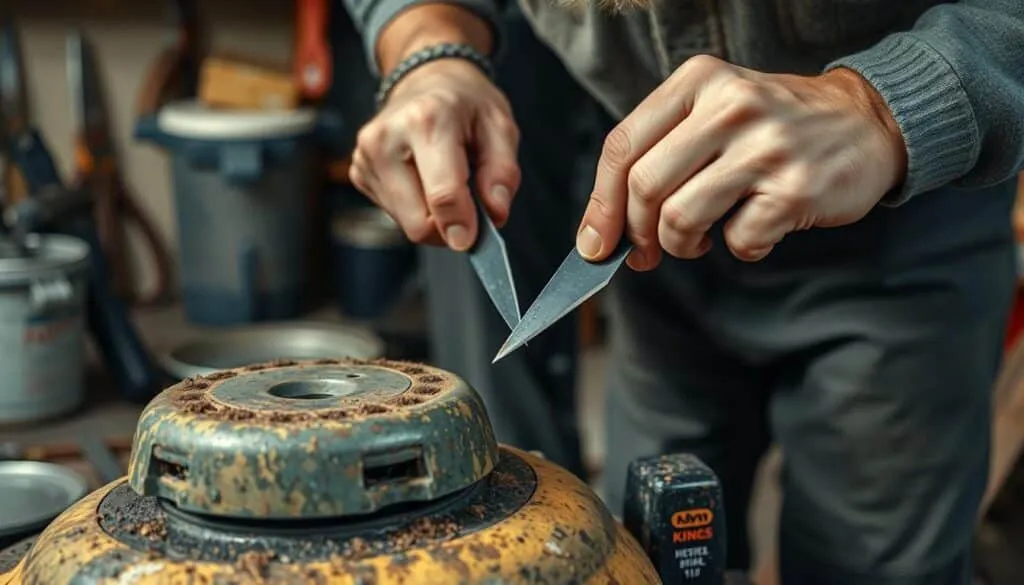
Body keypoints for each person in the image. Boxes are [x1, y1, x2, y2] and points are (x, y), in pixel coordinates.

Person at [340, 0, 1024, 582]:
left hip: (912, 212)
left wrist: (885, 102)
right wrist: (427, 48)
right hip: (654, 248)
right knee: (653, 545)